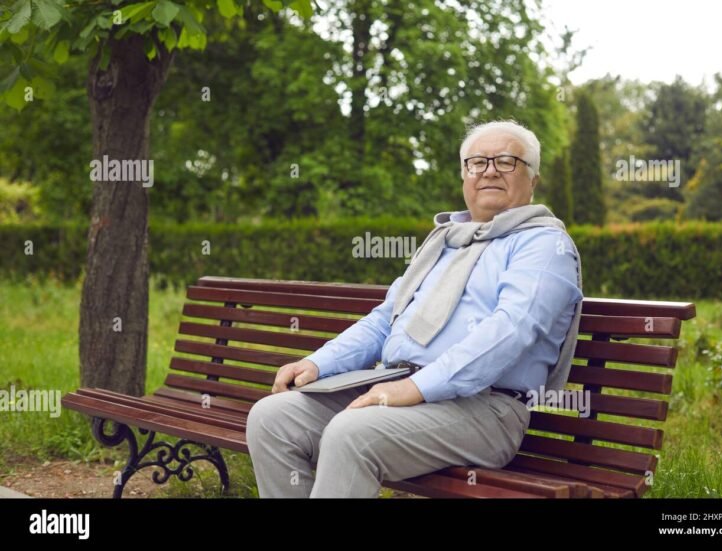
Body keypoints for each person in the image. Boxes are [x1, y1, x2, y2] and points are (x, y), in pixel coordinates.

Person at [246, 119, 583, 498]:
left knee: (352, 432)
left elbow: (511, 331)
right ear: (464, 175)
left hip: (486, 409)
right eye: (477, 162)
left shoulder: (543, 245)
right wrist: (318, 363)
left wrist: (417, 387)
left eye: (506, 161)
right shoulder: (444, 243)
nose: (489, 170)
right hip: (398, 386)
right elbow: (385, 320)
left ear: (532, 178)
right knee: (272, 418)